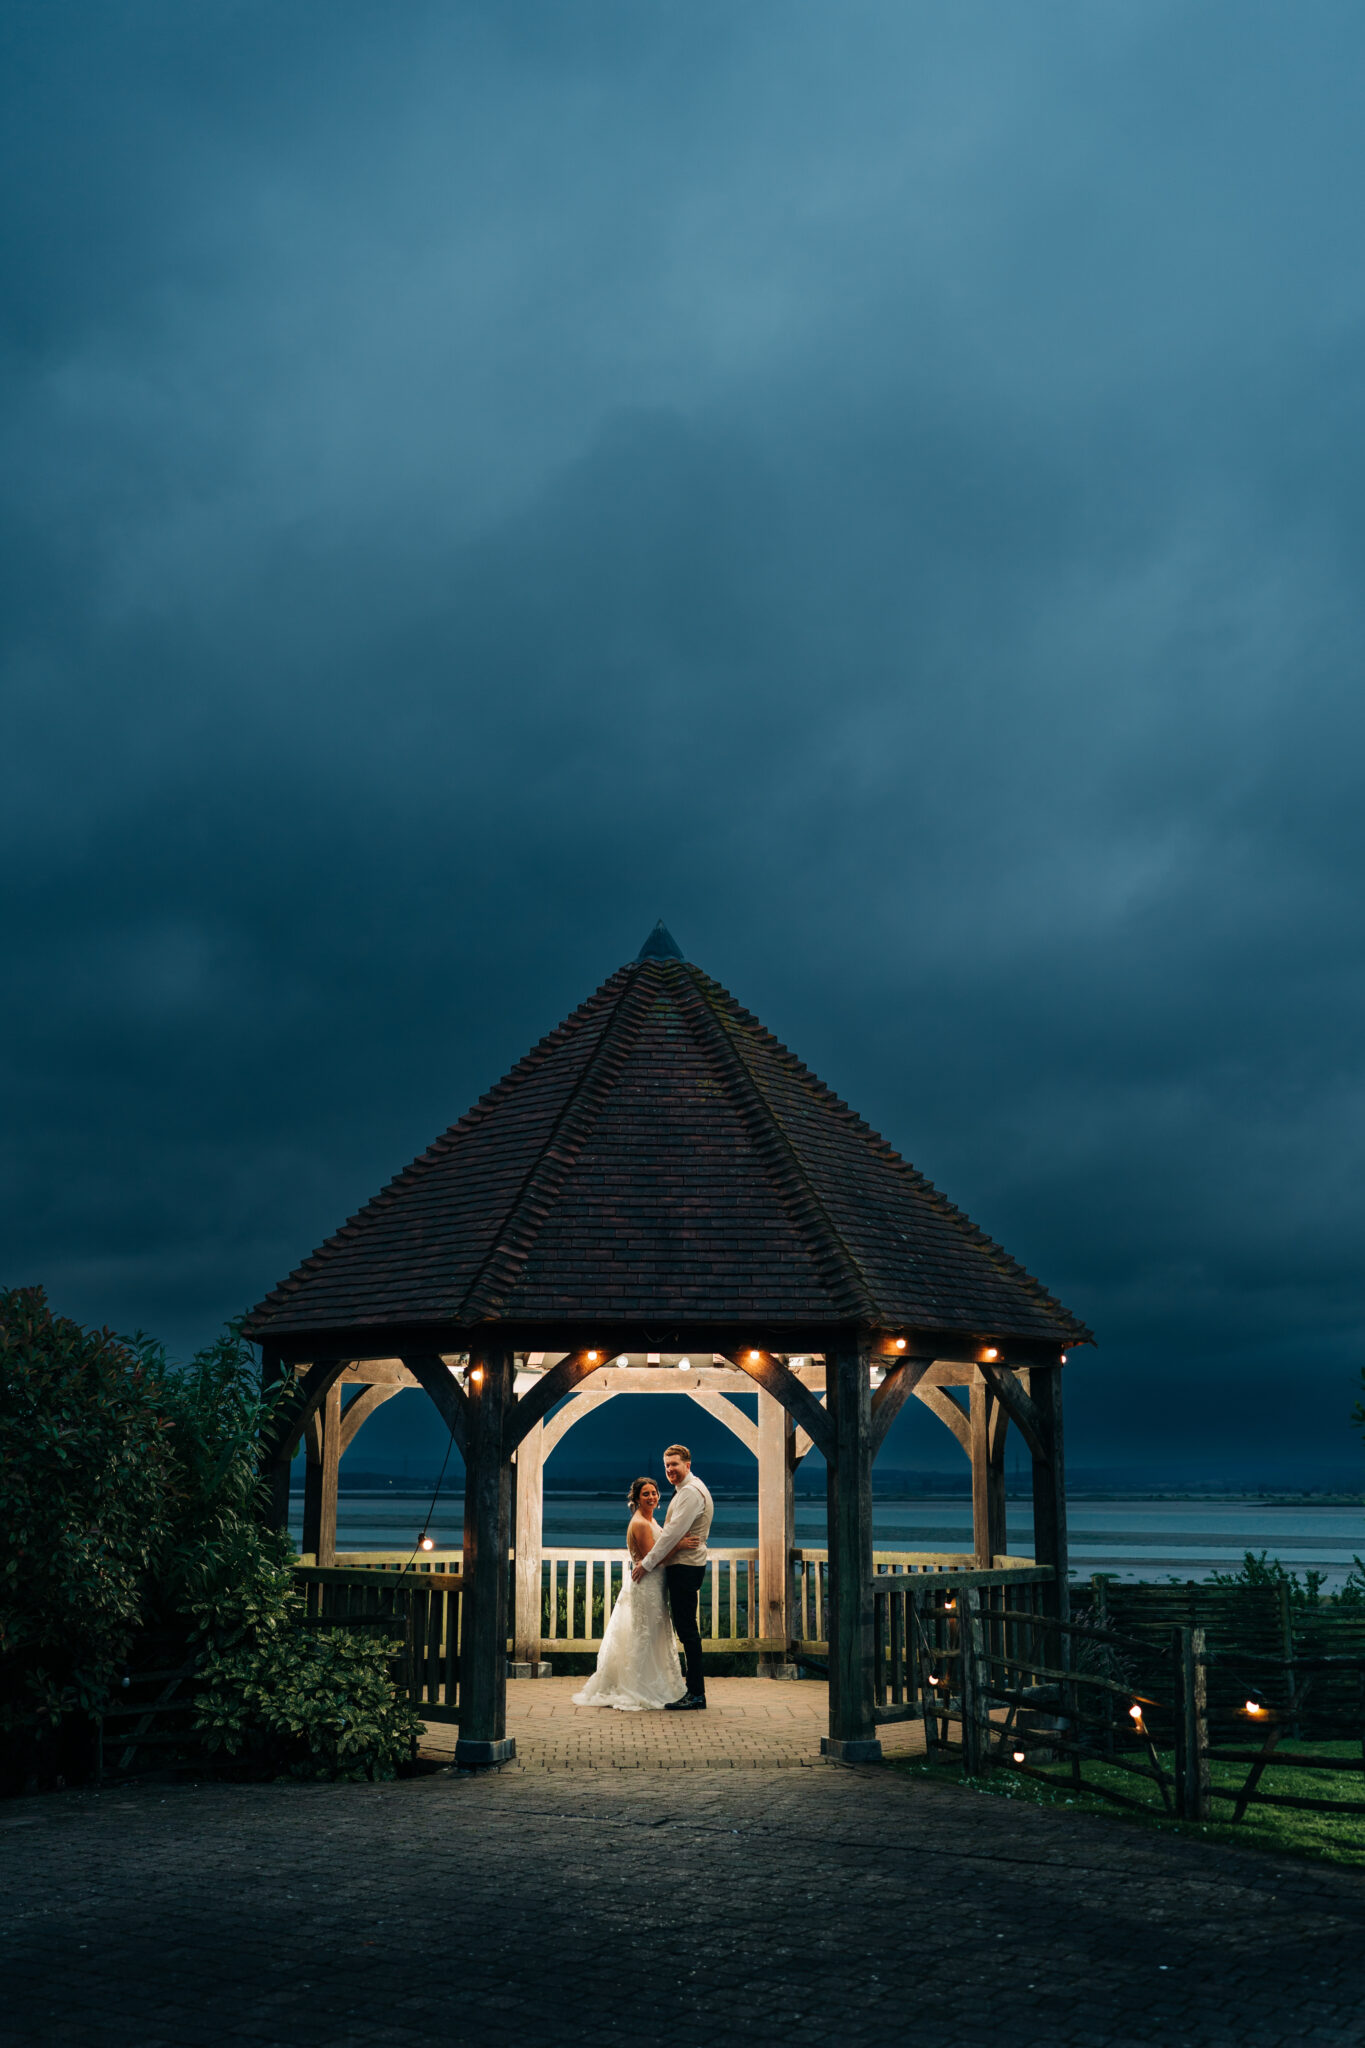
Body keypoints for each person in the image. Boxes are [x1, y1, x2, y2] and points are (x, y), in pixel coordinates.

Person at [571, 1477, 693, 1711]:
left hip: (653, 1585)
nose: (651, 1497)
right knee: (643, 1636)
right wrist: (678, 1546)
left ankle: (655, 1683)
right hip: (646, 1585)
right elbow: (652, 1560)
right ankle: (638, 1687)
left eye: (654, 1493)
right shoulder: (640, 1524)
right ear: (636, 1498)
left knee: (652, 1635)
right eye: (646, 1494)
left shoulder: (650, 1519)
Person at [632, 1443, 713, 1710]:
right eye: (667, 1466)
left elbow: (671, 1534)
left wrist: (647, 1563)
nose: (670, 1470)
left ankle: (696, 1694)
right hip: (686, 1566)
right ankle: (693, 1690)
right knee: (687, 1629)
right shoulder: (687, 1490)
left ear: (687, 1465)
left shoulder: (690, 1493)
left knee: (688, 1631)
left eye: (674, 1465)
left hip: (686, 1568)